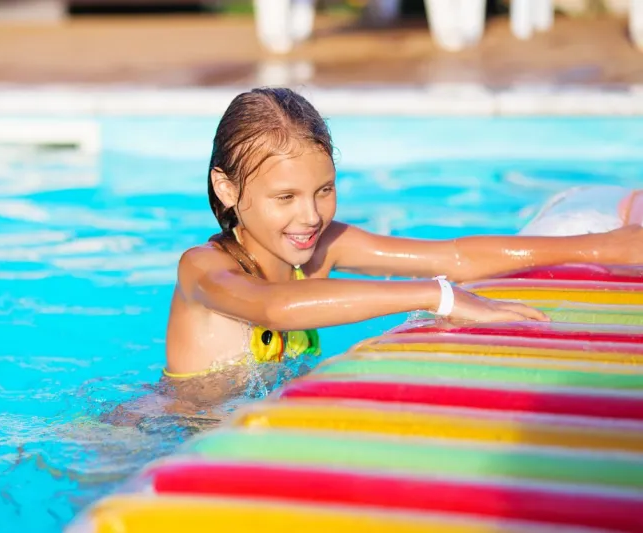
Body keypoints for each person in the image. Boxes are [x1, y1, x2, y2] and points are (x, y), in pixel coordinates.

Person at [164, 86, 643, 380]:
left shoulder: (316, 250)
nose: (310, 216)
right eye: (285, 198)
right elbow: (274, 309)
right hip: (161, 440)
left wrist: (599, 246)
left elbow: (452, 257)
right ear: (227, 189)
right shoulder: (201, 270)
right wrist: (440, 298)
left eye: (324, 190)